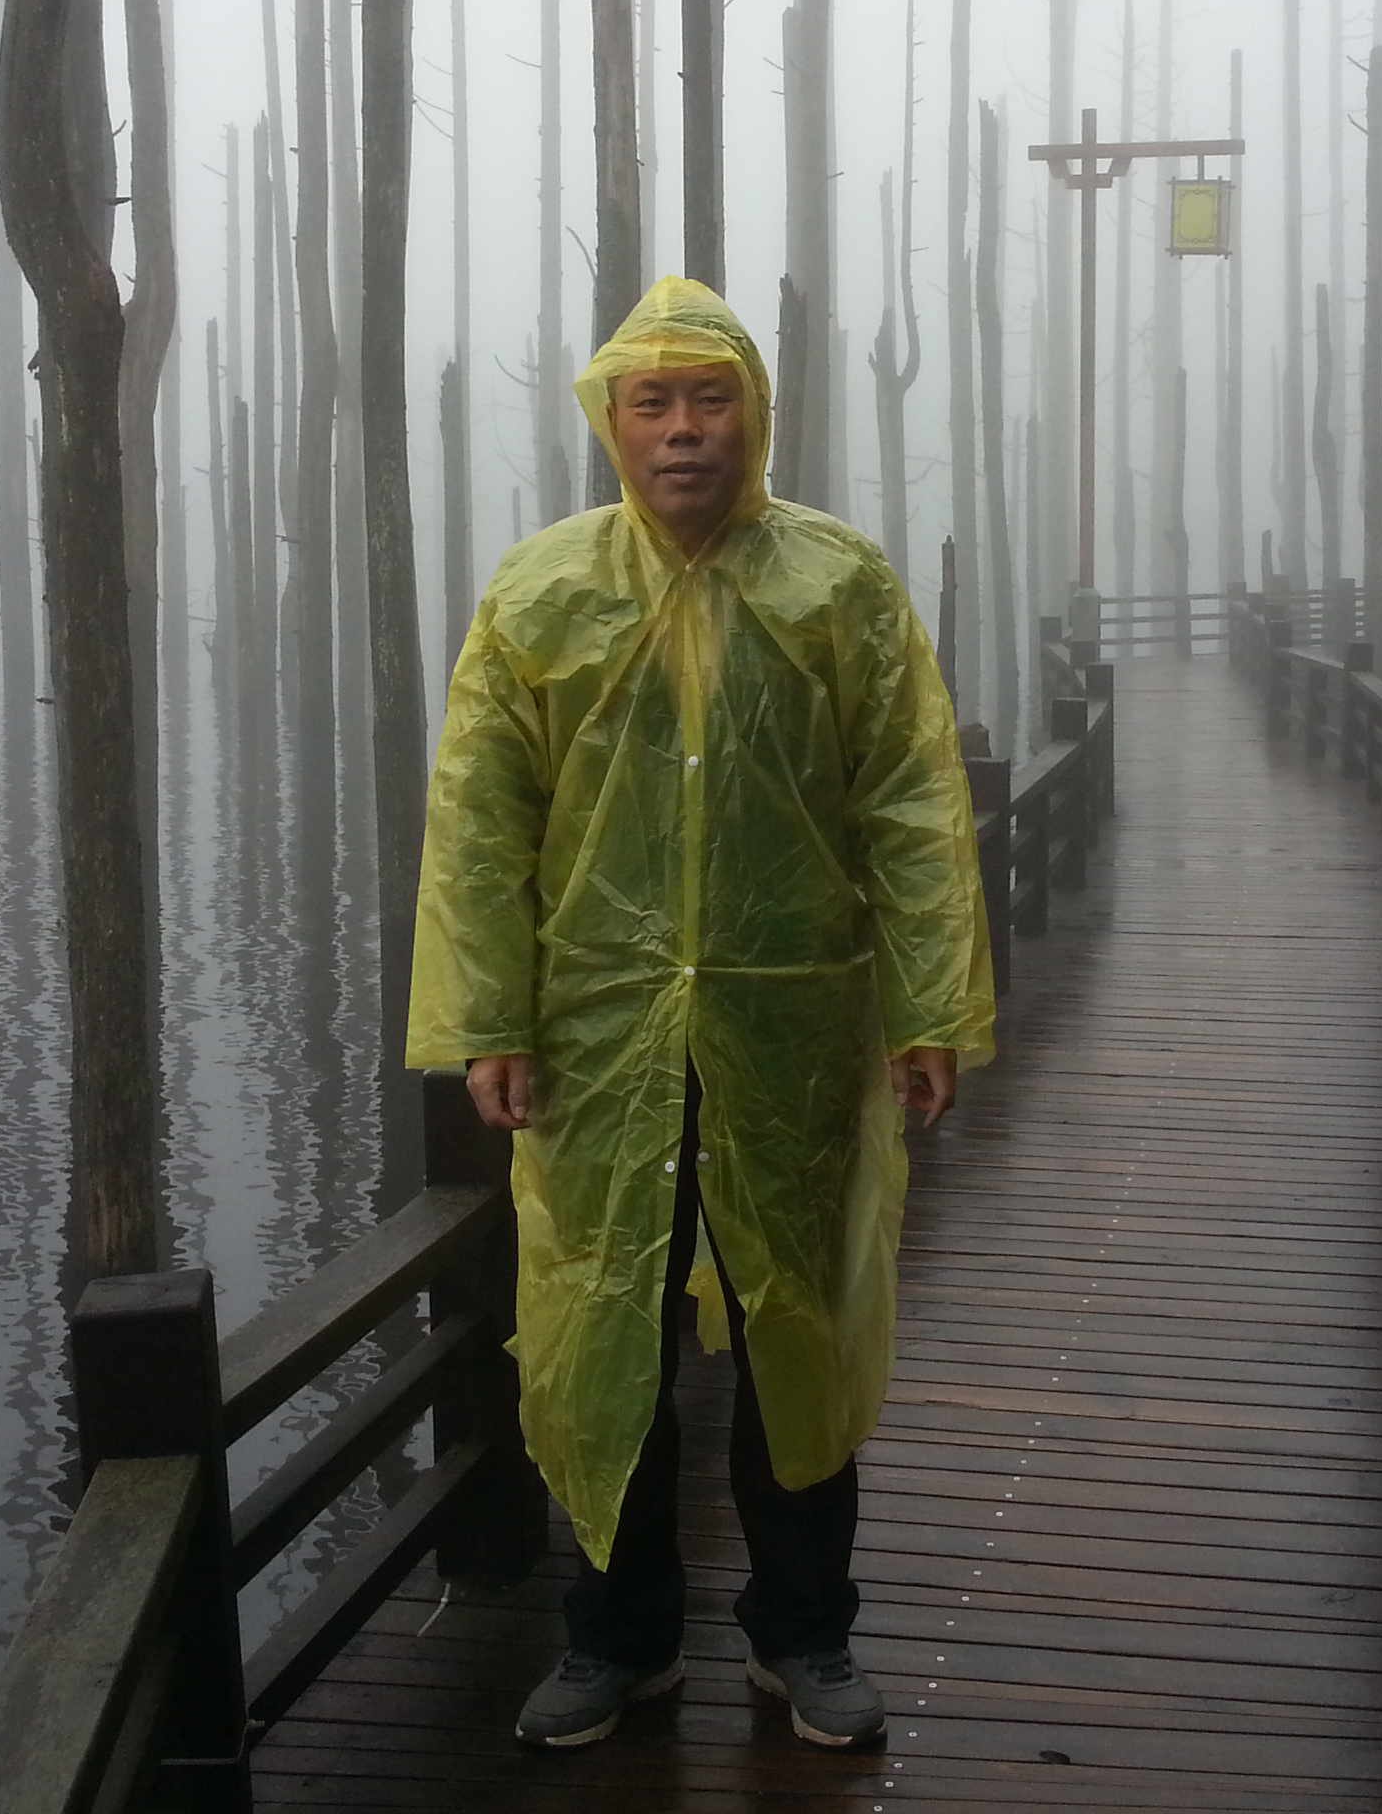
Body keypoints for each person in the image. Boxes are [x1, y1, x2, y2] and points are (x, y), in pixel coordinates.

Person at [407, 276, 994, 1754]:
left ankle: (805, 1637)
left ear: (756, 416)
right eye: (652, 403)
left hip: (792, 1030)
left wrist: (931, 1008)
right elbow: (480, 824)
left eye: (709, 399)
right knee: (603, 1334)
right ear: (610, 422)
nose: (683, 432)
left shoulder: (835, 585)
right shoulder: (542, 593)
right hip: (602, 1043)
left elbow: (913, 805)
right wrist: (491, 1018)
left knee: (800, 1327)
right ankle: (615, 1644)